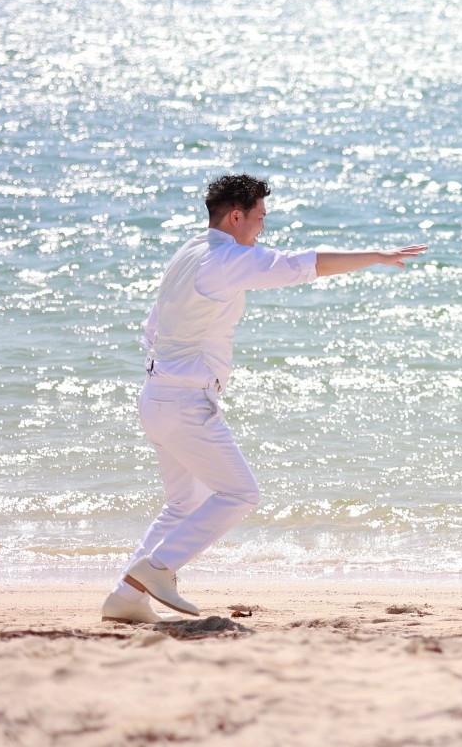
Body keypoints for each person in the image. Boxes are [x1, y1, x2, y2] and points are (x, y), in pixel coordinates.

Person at [101, 173, 428, 623]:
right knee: (239, 493)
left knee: (183, 504)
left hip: (156, 395)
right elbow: (301, 265)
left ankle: (126, 599)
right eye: (259, 219)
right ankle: (157, 569)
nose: (261, 230)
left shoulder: (189, 251)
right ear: (236, 216)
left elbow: (153, 327)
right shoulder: (224, 259)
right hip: (184, 403)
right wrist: (375, 256)